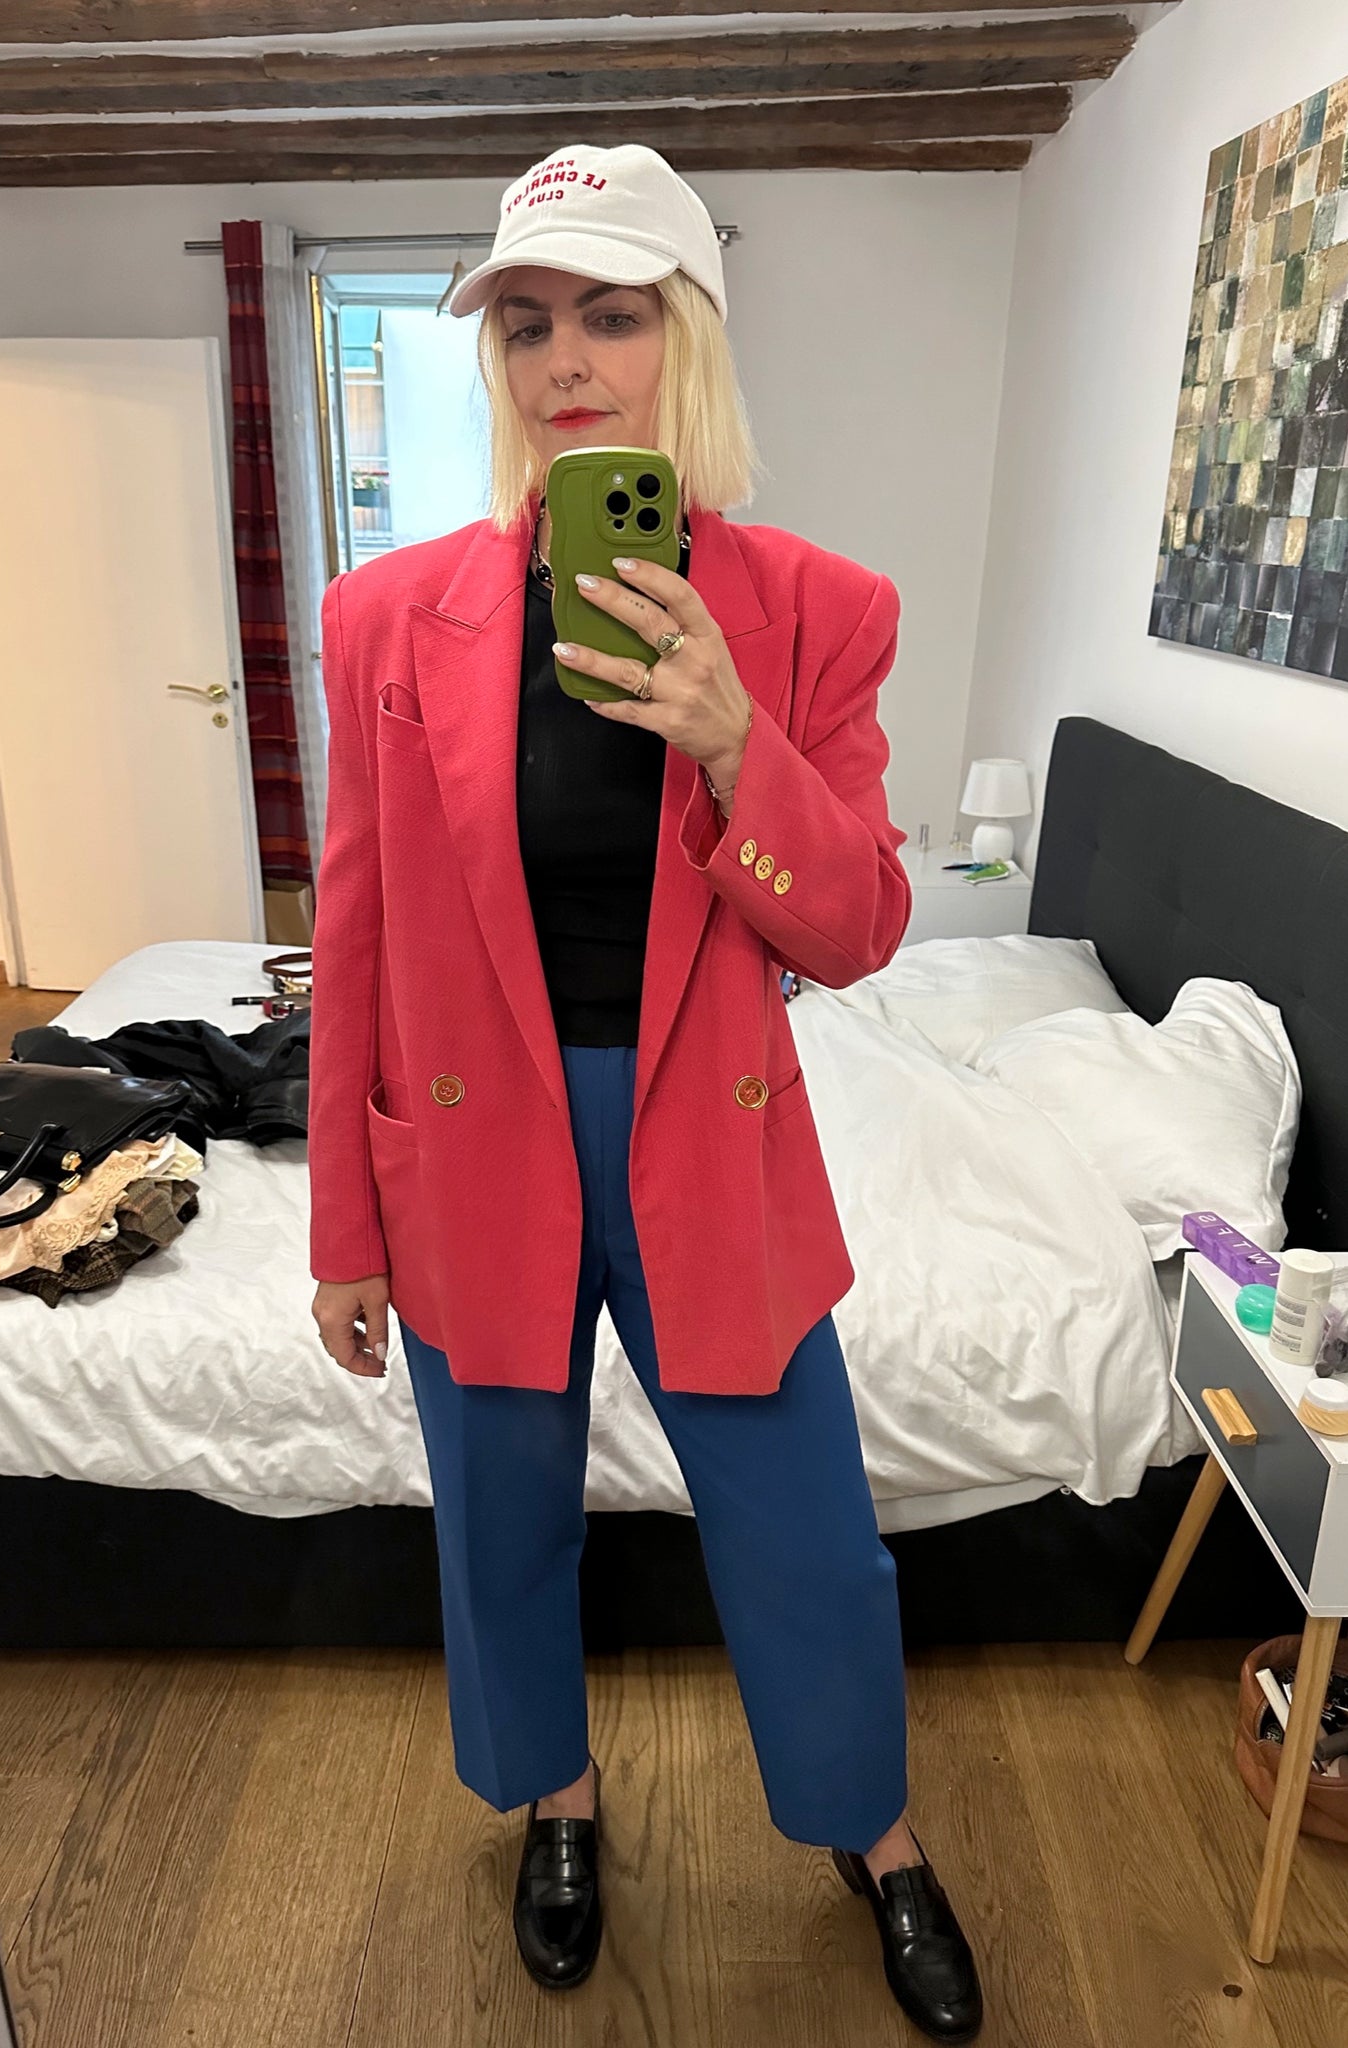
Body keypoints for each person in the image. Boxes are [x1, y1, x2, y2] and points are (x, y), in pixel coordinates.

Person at [307, 141, 983, 2043]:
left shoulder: (818, 610)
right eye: (526, 325)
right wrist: (342, 1225)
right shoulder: (387, 619)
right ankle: (558, 1803)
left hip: (705, 1143)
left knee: (802, 1530)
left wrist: (739, 747)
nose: (564, 363)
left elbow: (856, 930)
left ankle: (874, 1833)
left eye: (609, 315)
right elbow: (354, 931)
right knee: (498, 1517)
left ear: (686, 337)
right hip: (472, 1145)